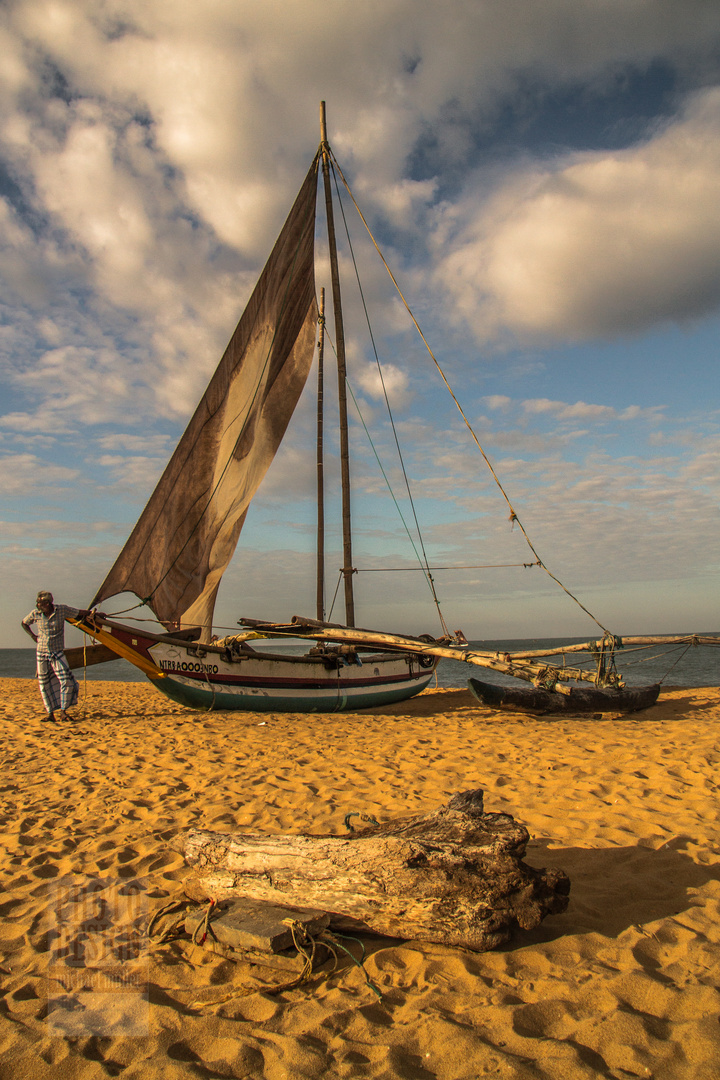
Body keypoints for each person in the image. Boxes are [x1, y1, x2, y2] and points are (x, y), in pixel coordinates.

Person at [21, 591, 96, 722]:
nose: (38, 606)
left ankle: (63, 711)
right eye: (37, 603)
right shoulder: (35, 614)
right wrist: (33, 636)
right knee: (44, 683)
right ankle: (50, 713)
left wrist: (93, 614)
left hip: (57, 652)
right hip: (41, 652)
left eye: (41, 604)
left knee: (66, 681)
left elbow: (78, 613)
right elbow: (24, 623)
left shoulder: (61, 610)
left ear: (48, 603)